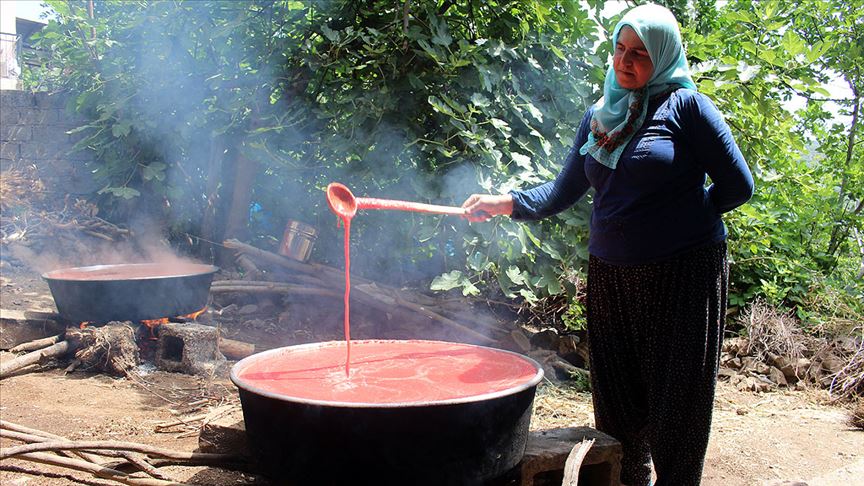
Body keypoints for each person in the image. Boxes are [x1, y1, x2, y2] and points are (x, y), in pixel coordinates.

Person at [462, 4, 754, 486]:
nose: (625, 60)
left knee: (676, 405)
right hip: (612, 275)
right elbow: (563, 191)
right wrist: (504, 203)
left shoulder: (688, 108)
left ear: (662, 55)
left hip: (681, 274)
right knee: (618, 406)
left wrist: (682, 218)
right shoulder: (600, 115)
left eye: (640, 52)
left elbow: (737, 187)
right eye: (620, 48)